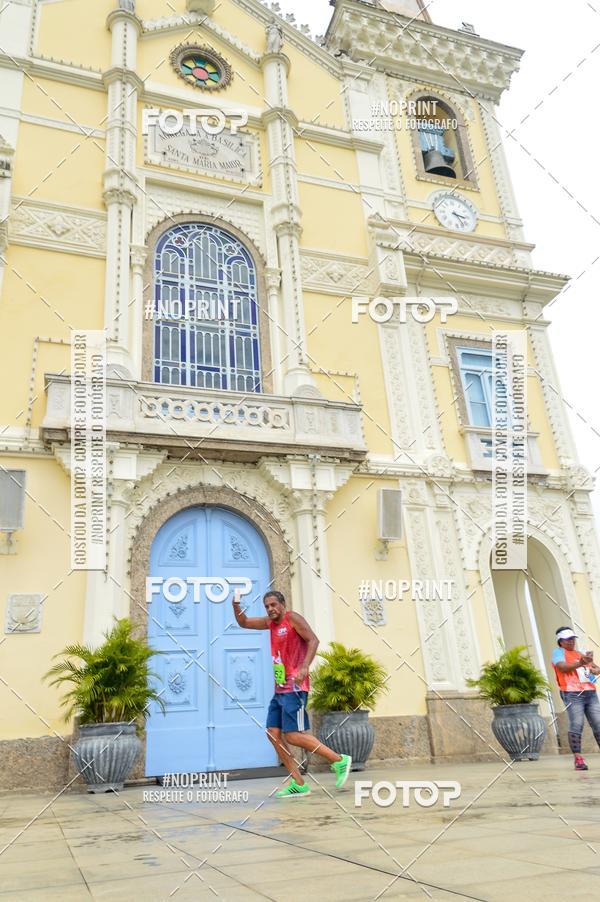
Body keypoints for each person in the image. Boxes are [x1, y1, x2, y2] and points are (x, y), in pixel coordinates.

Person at [232, 588, 352, 797]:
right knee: (273, 734)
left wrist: (305, 666)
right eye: (267, 606)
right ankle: (299, 784)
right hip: (280, 689)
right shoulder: (270, 624)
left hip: (295, 688)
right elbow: (244, 622)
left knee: (294, 736)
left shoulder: (292, 618)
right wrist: (236, 605)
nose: (270, 609)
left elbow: (313, 640)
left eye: (273, 605)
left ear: (282, 604)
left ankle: (339, 760)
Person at [551, 626, 600, 770]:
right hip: (572, 693)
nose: (571, 642)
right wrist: (581, 663)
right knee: (577, 724)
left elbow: (597, 669)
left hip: (589, 692)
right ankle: (578, 759)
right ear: (560, 641)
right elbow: (562, 667)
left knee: (598, 724)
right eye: (567, 639)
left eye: (572, 639)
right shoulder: (558, 652)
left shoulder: (579, 653)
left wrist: (592, 669)